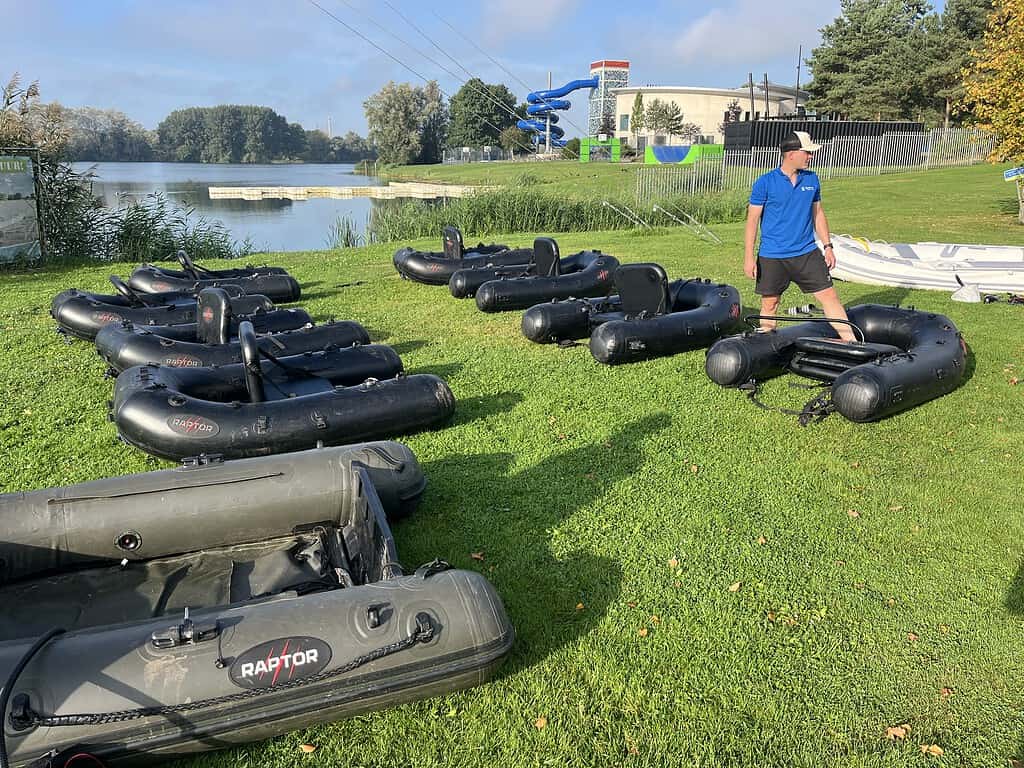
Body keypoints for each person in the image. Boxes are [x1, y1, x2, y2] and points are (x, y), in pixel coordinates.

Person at [744, 131, 855, 341]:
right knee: (770, 303)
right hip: (773, 255)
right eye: (807, 152)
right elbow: (751, 222)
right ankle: (764, 345)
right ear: (792, 154)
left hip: (806, 252)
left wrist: (828, 246)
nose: (811, 157)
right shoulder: (765, 182)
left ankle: (852, 343)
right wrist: (749, 258)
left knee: (830, 297)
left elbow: (818, 213)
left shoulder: (812, 179)